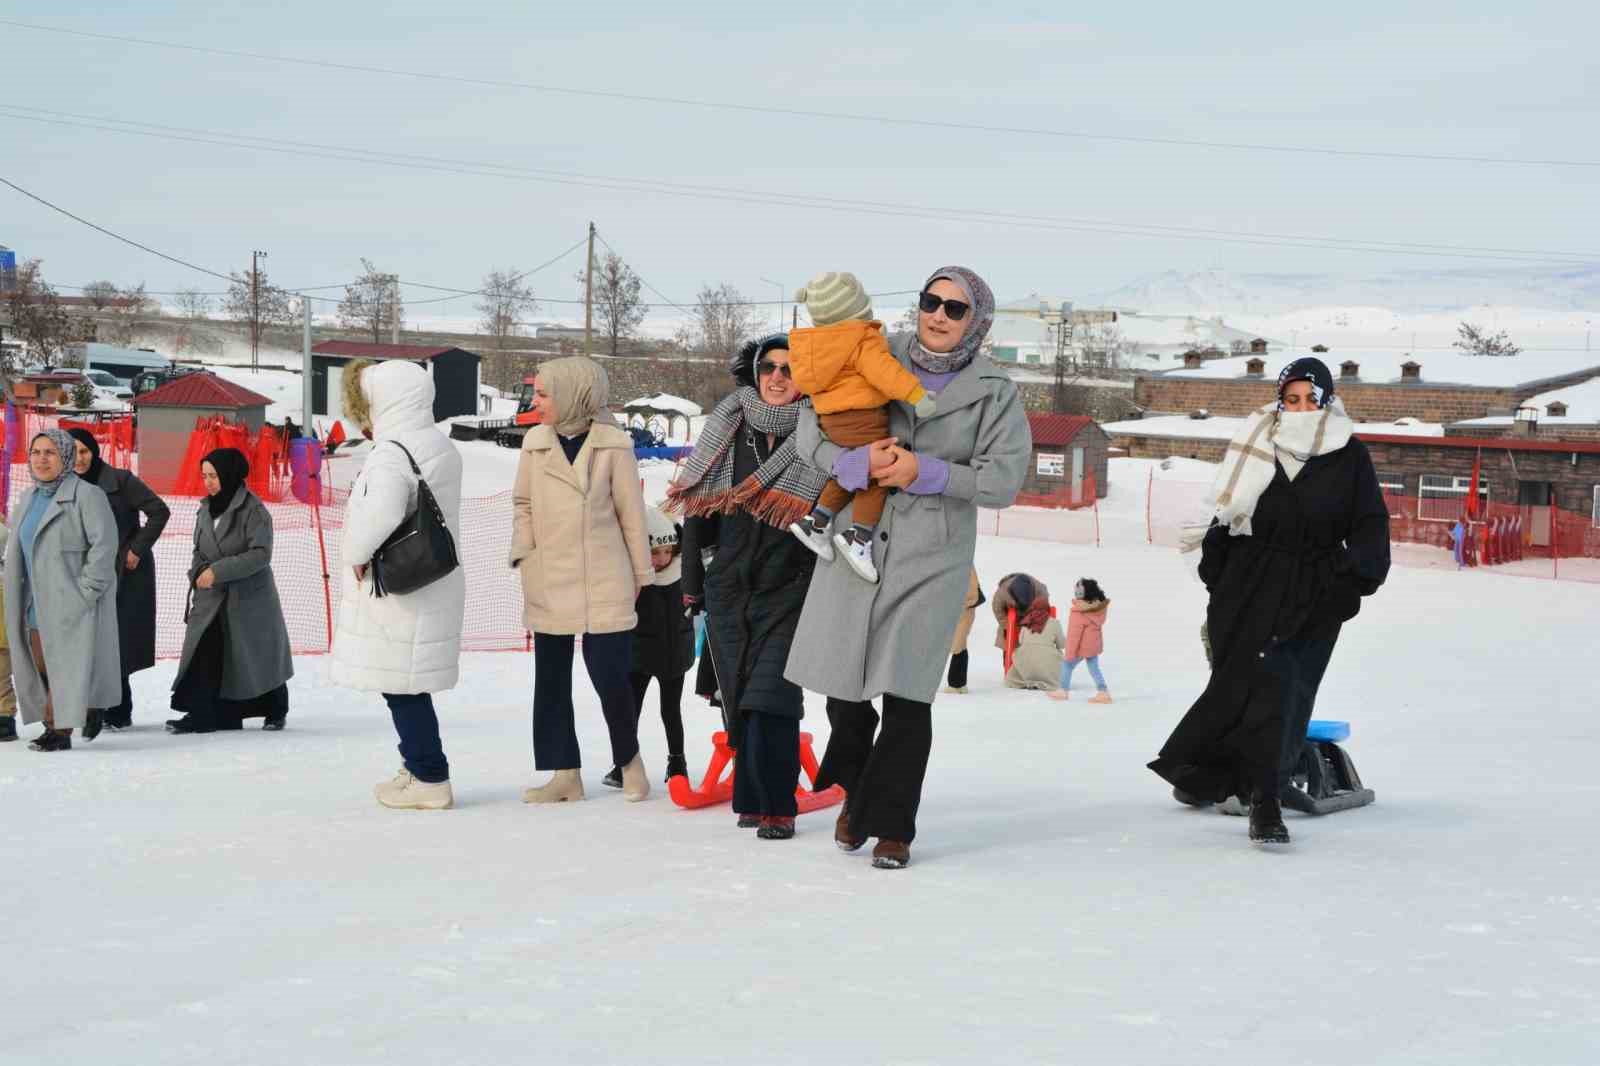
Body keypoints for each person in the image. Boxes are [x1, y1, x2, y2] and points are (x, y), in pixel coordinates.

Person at [786, 266, 1031, 869]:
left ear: (977, 322)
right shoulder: (869, 348)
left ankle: (892, 824)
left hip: (933, 551)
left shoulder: (995, 390)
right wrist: (854, 461)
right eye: (931, 302)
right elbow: (807, 432)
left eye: (956, 309)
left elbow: (1003, 480)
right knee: (845, 690)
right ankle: (857, 791)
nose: (939, 316)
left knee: (906, 693)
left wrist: (928, 473)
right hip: (854, 542)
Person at [1149, 357, 1390, 846]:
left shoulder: (1348, 454)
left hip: (1313, 588)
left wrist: (1350, 584)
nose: (1300, 408)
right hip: (1248, 583)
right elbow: (1227, 512)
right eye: (1291, 399)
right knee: (1240, 685)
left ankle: (1265, 799)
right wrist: (1217, 572)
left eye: (1310, 399)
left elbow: (1369, 524)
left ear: (1327, 401)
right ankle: (1213, 774)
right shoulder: (1257, 443)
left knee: (1285, 689)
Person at [669, 334, 828, 839]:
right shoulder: (729, 428)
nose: (778, 378)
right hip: (730, 585)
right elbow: (697, 509)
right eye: (769, 368)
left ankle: (778, 806)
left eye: (789, 368)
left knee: (773, 695)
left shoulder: (823, 433)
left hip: (793, 582)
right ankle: (750, 798)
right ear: (755, 373)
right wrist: (692, 585)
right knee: (738, 694)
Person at [511, 356, 654, 804]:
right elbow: (523, 503)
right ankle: (564, 774)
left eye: (545, 393)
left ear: (575, 394)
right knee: (550, 679)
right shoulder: (535, 442)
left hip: (604, 577)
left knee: (610, 675)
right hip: (549, 574)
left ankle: (629, 760)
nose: (537, 401)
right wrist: (525, 548)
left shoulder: (613, 445)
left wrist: (642, 572)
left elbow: (631, 513)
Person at [332, 360, 465, 811]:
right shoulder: (439, 445)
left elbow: (384, 511)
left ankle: (429, 775)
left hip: (400, 586)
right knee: (408, 679)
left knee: (402, 684)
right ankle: (415, 766)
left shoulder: (392, 450)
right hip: (433, 577)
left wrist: (355, 552)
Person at [784, 271, 937, 582]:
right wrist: (916, 394)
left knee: (853, 467)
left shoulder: (809, 346)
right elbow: (884, 372)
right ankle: (860, 537)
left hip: (831, 422)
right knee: (879, 473)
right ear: (856, 309)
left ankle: (817, 521)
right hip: (864, 417)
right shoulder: (860, 338)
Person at [4, 428, 122, 751]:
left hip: (72, 602)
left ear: (65, 457)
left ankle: (58, 729)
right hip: (34, 602)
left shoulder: (87, 495)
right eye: (36, 452)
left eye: (50, 452)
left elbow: (104, 547)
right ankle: (80, 708)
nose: (41, 459)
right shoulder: (28, 498)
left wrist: (84, 593)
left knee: (64, 665)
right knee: (40, 664)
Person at [169, 448, 294, 734]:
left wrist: (218, 571)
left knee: (256, 656)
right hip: (211, 598)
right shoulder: (204, 509)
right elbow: (199, 550)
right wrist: (199, 571)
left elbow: (261, 554)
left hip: (249, 599)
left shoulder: (254, 510)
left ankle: (275, 710)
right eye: (204, 476)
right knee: (206, 653)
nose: (209, 482)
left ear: (229, 474)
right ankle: (203, 713)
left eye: (213, 476)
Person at [67, 427, 170, 730]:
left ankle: (118, 710)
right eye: (73, 452)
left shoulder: (121, 480)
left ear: (94, 451)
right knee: (88, 640)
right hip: (83, 573)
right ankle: (88, 708)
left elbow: (158, 511)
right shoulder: (65, 485)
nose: (79, 458)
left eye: (84, 451)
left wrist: (136, 548)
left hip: (124, 573)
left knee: (116, 642)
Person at [605, 505, 695, 788]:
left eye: (668, 551)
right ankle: (625, 765)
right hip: (639, 655)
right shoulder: (635, 575)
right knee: (631, 710)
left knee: (671, 711)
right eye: (655, 552)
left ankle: (677, 762)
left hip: (674, 654)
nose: (662, 559)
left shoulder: (684, 572)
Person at [1003, 576, 1066, 693]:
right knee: (1058, 657)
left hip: (1025, 659)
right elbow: (1062, 644)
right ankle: (1045, 679)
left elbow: (1021, 641)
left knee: (1015, 671)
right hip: (1047, 660)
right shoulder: (1054, 623)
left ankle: (1026, 679)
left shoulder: (1025, 622)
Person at [1054, 578, 1112, 704]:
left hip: (1082, 646)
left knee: (1067, 664)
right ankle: (1103, 692)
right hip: (1093, 645)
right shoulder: (1099, 608)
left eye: (1077, 592)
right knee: (1093, 668)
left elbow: (1074, 634)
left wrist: (1070, 653)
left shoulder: (1079, 611)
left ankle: (1062, 691)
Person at [942, 568, 983, 694]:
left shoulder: (966, 566)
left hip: (963, 608)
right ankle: (957, 683)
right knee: (958, 646)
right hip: (957, 607)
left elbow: (971, 593)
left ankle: (957, 683)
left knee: (958, 646)